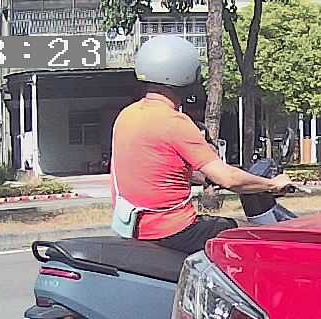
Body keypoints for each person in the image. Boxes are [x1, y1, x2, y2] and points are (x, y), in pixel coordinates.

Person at [112, 34, 293, 253]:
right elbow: (229, 179)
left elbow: (155, 169)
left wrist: (206, 177)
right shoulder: (175, 122)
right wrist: (273, 184)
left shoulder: (126, 116)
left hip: (135, 228)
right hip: (174, 231)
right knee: (256, 237)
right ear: (187, 74)